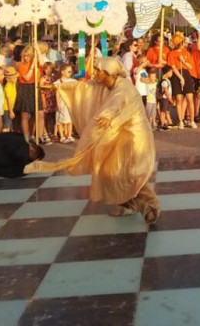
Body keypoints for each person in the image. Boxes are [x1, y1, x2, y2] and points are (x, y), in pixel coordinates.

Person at [25, 56, 160, 224]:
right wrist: (58, 86)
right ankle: (129, 204)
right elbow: (82, 88)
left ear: (108, 73)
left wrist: (108, 115)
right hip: (115, 132)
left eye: (98, 70)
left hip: (133, 135)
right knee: (110, 170)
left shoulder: (123, 87)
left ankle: (151, 205)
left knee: (129, 172)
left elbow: (117, 101)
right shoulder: (104, 84)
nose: (94, 73)